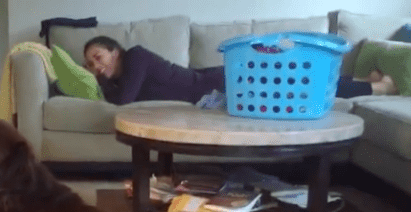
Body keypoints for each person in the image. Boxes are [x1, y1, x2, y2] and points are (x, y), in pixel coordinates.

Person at [83, 36, 397, 105]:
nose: (96, 67)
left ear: (116, 51)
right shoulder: (123, 77)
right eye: (90, 65)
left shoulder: (136, 56)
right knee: (293, 80)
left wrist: (97, 84)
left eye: (98, 57)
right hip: (206, 79)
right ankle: (363, 81)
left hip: (218, 82)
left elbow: (124, 102)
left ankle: (377, 88)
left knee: (295, 85)